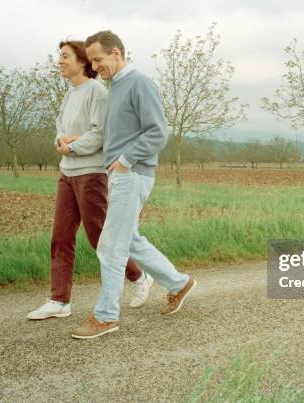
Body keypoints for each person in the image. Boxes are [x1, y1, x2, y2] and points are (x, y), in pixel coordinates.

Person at [70, 30, 196, 339]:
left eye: (98, 59)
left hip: (132, 172)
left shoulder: (139, 83)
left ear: (116, 53)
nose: (94, 66)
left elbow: (157, 132)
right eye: (91, 61)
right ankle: (179, 283)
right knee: (130, 240)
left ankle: (106, 316)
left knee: (111, 246)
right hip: (121, 174)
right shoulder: (114, 87)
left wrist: (125, 160)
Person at [27, 40, 154, 320]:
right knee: (60, 237)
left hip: (91, 173)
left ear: (83, 61)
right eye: (58, 56)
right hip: (67, 172)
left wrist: (73, 146)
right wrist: (61, 142)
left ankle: (138, 276)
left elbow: (99, 134)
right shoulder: (70, 93)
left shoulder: (96, 92)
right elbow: (60, 127)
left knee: (100, 238)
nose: (59, 61)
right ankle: (59, 301)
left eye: (64, 56)